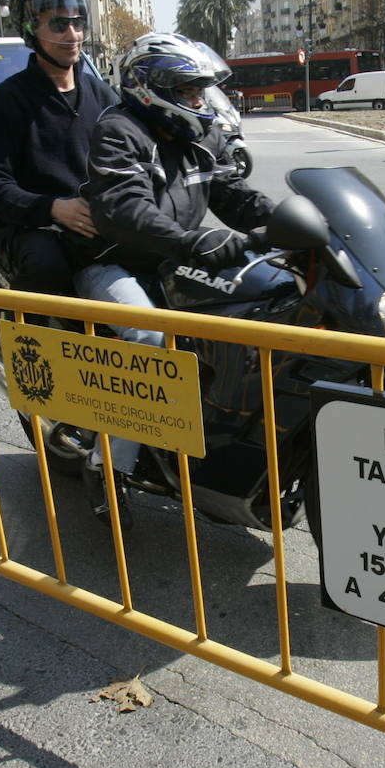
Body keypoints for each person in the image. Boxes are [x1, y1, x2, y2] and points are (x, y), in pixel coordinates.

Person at [76, 32, 276, 522]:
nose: (198, 100)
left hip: (172, 260)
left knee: (257, 300)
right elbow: (125, 211)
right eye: (188, 91)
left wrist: (290, 224)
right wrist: (193, 243)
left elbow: (233, 194)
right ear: (152, 87)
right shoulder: (120, 130)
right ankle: (109, 467)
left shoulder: (199, 135)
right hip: (114, 261)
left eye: (200, 91)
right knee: (150, 336)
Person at [0, 0, 118, 296]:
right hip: (39, 227)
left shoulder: (102, 94)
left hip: (99, 220)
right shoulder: (7, 100)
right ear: (30, 28)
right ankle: (29, 343)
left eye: (77, 22)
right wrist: (53, 207)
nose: (72, 34)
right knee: (47, 268)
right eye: (58, 23)